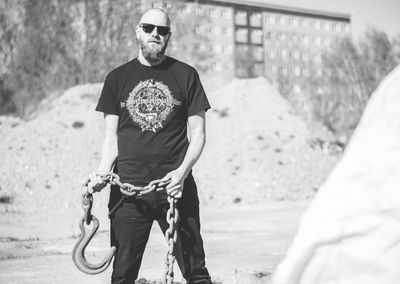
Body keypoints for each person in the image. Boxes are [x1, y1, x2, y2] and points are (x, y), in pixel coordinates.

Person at [83, 8, 213, 284]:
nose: (156, 34)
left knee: (196, 272)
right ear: (138, 31)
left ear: (169, 36)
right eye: (150, 27)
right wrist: (102, 173)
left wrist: (182, 172)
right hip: (128, 193)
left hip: (176, 190)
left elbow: (199, 134)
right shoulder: (117, 78)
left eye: (163, 30)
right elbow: (111, 139)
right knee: (123, 276)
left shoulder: (186, 75)